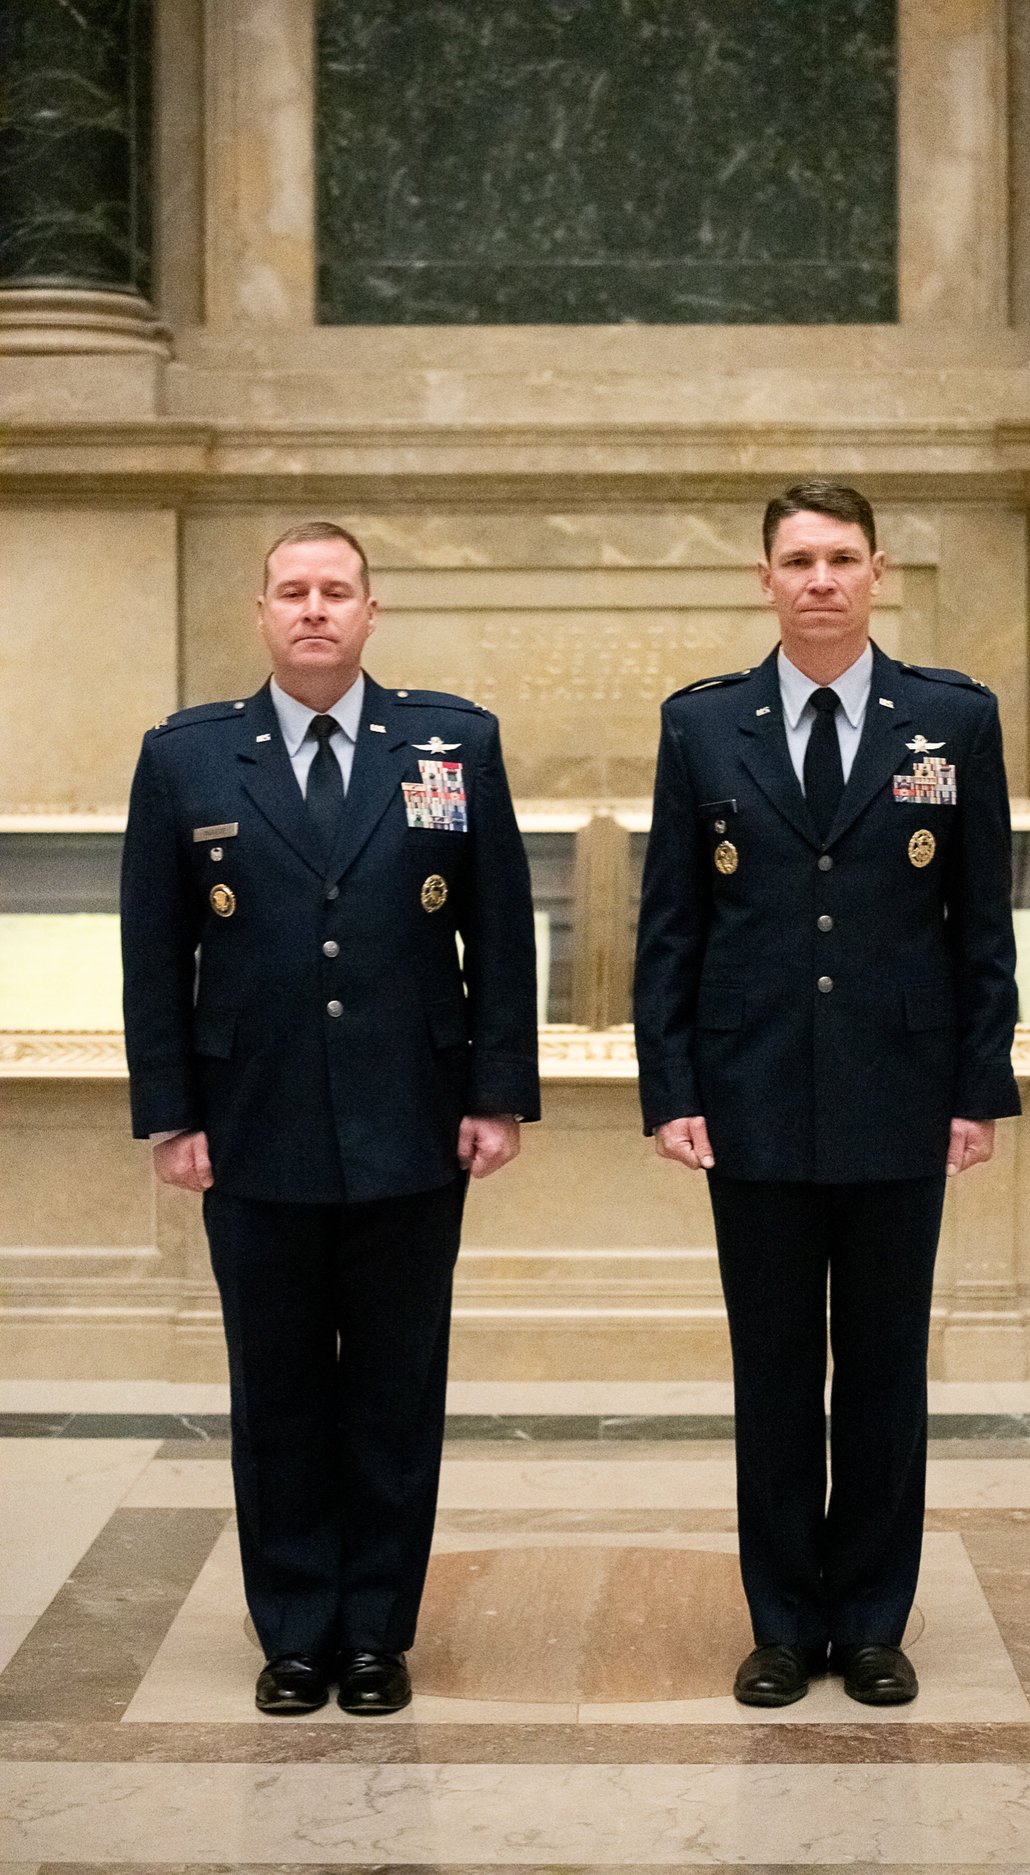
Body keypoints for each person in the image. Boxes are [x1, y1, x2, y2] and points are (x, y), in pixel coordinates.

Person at [119, 520, 537, 1715]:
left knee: (396, 1393)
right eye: (293, 592)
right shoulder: (188, 758)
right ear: (261, 613)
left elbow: (497, 929)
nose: (315, 610)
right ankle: (296, 1630)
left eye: (336, 591)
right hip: (254, 1125)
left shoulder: (451, 742)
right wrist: (172, 1114)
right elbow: (156, 951)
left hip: (414, 1119)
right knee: (280, 1389)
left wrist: (495, 1093)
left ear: (371, 612)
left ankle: (377, 1637)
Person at [632, 480, 1018, 1709]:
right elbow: (672, 928)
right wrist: (670, 1087)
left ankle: (871, 1621)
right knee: (777, 1372)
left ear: (877, 572)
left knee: (887, 1369)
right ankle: (783, 1622)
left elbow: (982, 925)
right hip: (749, 1098)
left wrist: (978, 1086)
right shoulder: (704, 728)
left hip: (901, 1096)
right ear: (764, 579)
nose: (819, 581)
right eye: (796, 560)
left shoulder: (950, 720)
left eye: (841, 558)